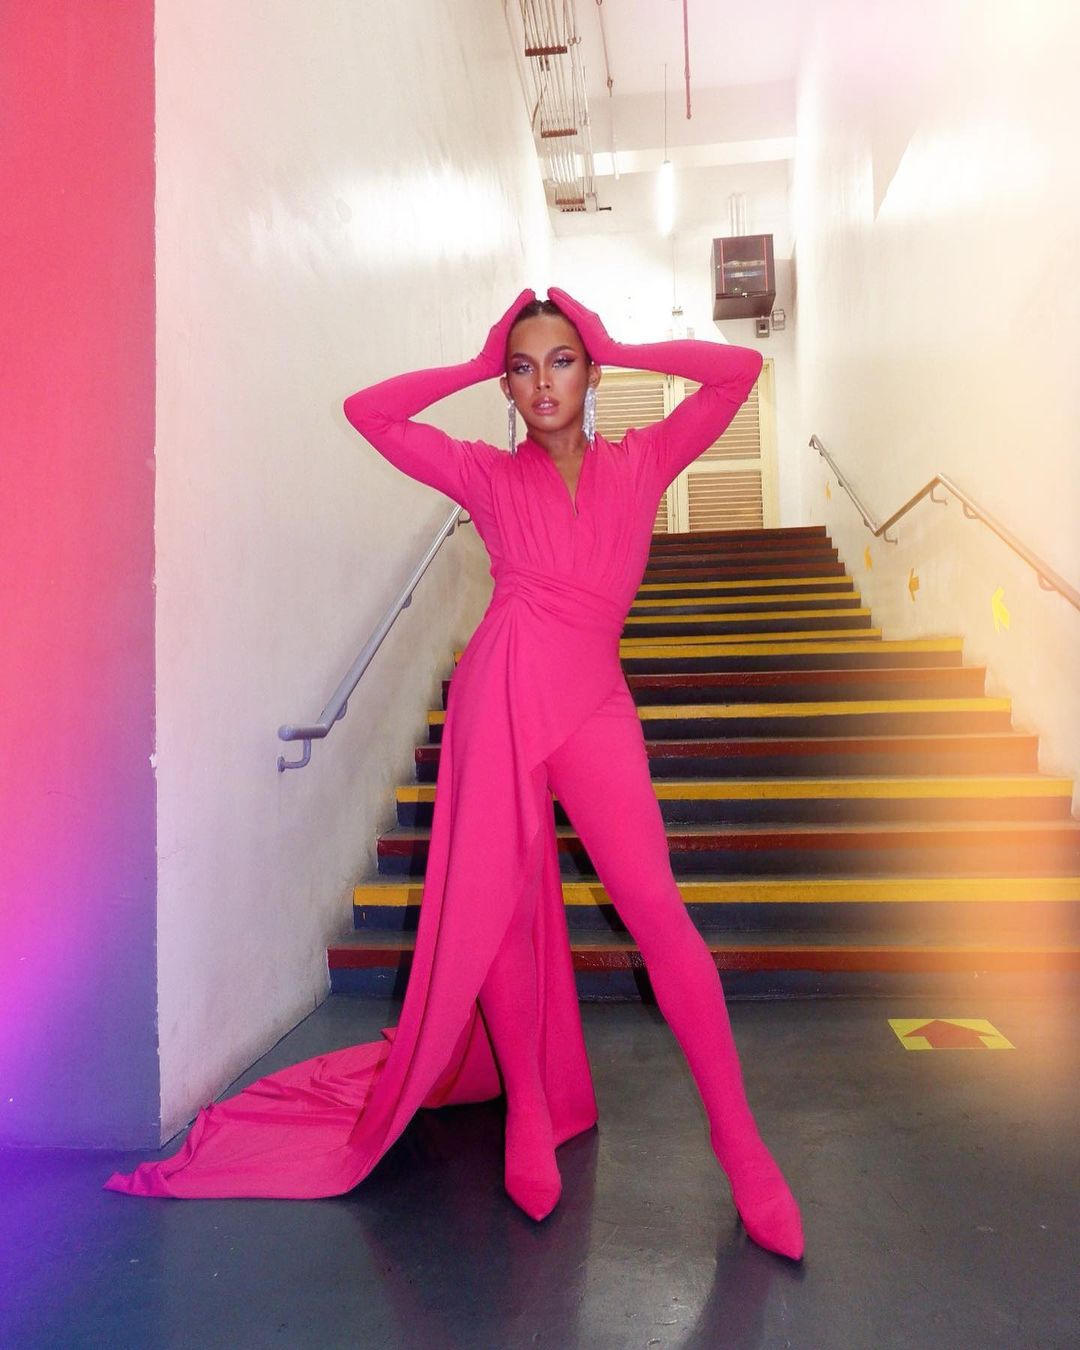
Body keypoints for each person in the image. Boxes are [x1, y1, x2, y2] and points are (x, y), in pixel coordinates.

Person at [104, 287, 803, 1263]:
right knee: (500, 909)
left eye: (562, 361)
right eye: (523, 368)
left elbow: (739, 371)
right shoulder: (485, 473)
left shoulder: (645, 460)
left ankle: (741, 1146)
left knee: (658, 913)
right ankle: (528, 1114)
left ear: (591, 371)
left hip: (594, 704)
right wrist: (477, 363)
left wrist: (618, 341)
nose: (542, 382)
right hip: (499, 696)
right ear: (506, 388)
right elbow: (371, 413)